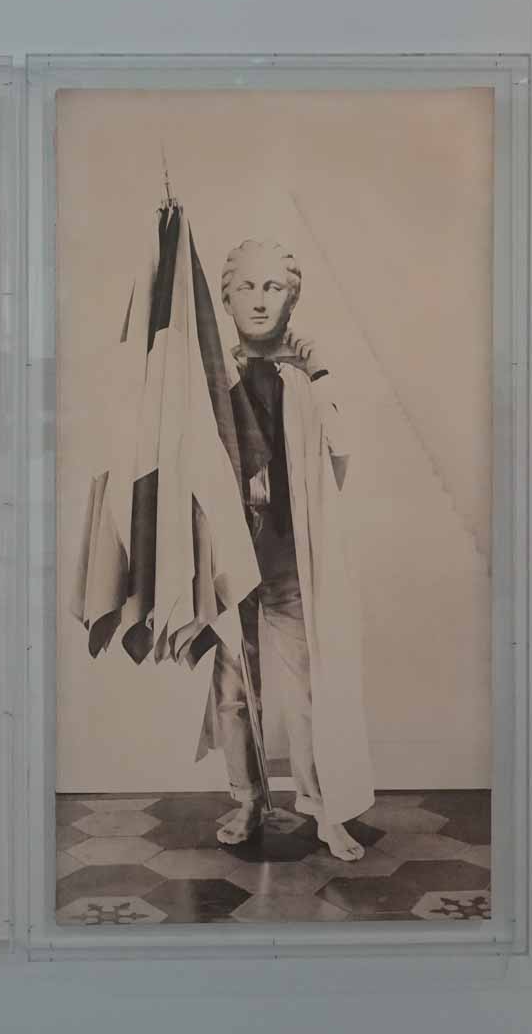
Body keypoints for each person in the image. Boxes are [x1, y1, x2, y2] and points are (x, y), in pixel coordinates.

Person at [198, 239, 374, 860]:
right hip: (227, 559)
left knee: (305, 693)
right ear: (225, 298)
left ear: (292, 299)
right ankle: (247, 800)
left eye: (273, 287)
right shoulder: (208, 377)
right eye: (246, 287)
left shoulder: (301, 380)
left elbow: (340, 458)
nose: (259, 300)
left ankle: (322, 810)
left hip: (287, 559)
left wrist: (319, 371)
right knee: (233, 689)